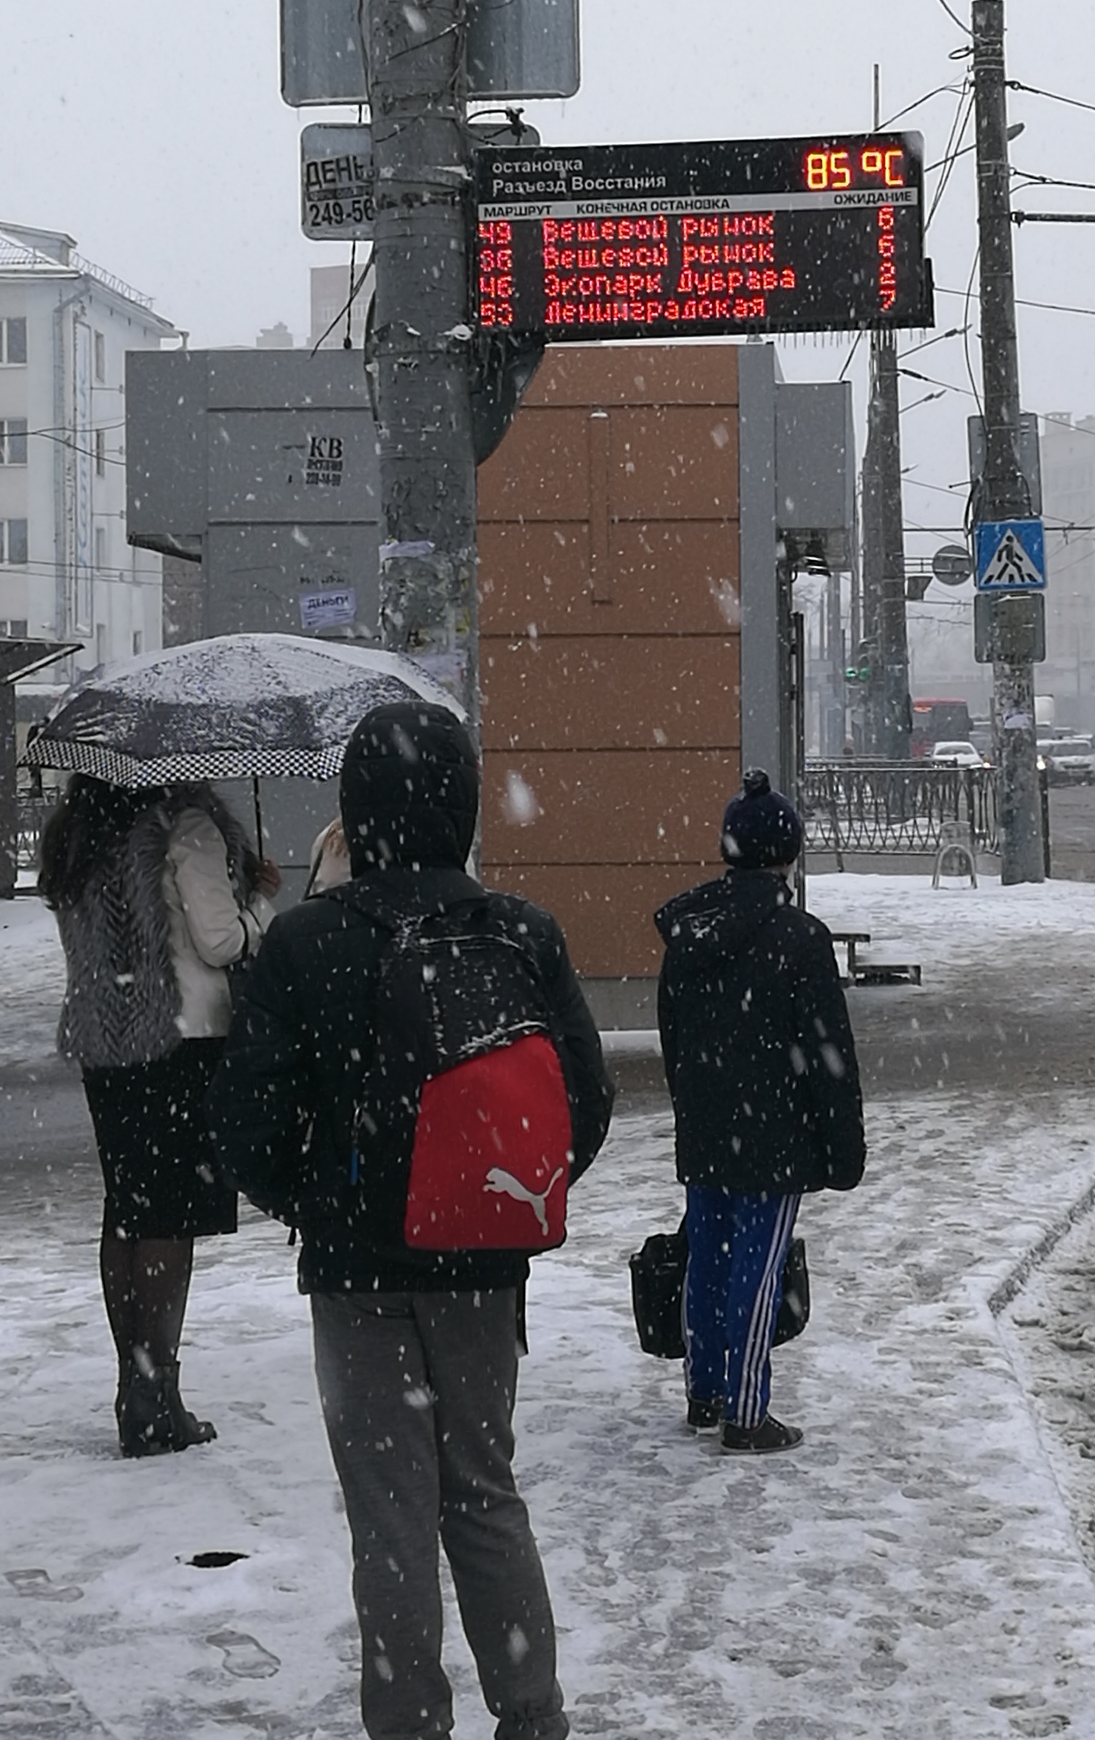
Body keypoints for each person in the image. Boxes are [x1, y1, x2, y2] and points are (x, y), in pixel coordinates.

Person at [210, 701, 613, 1740]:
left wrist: (315, 1200)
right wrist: (499, 1200)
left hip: (356, 1276)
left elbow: (245, 1121)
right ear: (464, 810)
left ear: (354, 812)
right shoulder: (519, 932)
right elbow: (585, 1101)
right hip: (481, 1267)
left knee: (390, 1517)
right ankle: (531, 1715)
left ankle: (408, 1724)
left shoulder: (304, 943)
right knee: (483, 1489)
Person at [38, 775, 277, 1457]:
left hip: (106, 1044)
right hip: (180, 1040)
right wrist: (257, 897)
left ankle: (133, 1385)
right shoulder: (188, 825)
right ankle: (159, 1394)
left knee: (128, 1209)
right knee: (169, 1214)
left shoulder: (76, 834)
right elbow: (221, 942)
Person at [655, 768, 866, 1455]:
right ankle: (747, 1412)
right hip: (775, 1132)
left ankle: (706, 1389)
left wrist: (693, 1099)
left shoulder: (688, 932)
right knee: (757, 1265)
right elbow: (829, 1052)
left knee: (707, 1256)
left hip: (707, 1123)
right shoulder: (799, 938)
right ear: (787, 855)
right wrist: (842, 1148)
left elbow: (673, 1036)